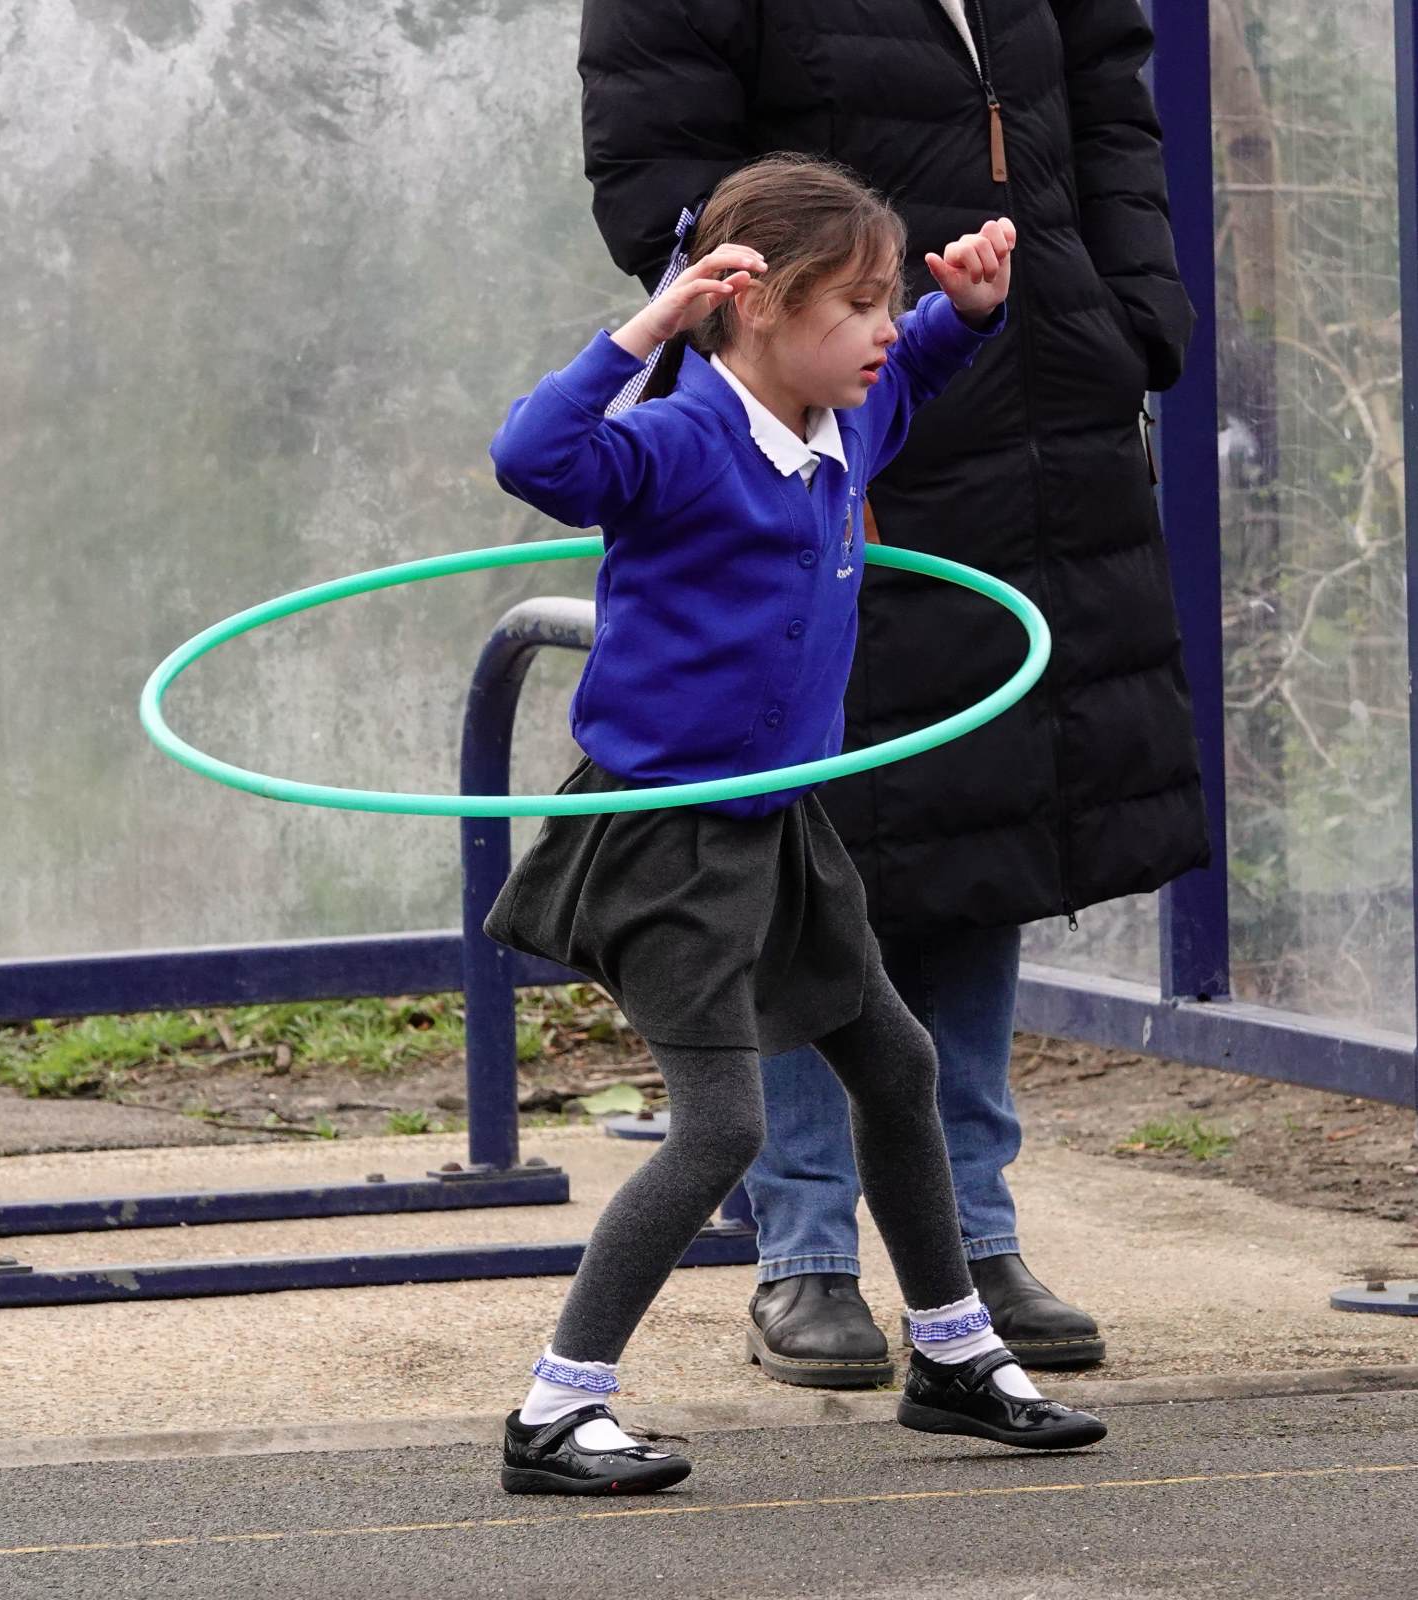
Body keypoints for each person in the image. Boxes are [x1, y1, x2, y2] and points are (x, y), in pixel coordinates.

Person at [578, 0, 1208, 1384]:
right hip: (829, 427)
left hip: (1036, 400)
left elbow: (1109, 102)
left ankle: (973, 1241)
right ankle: (803, 1247)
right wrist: (793, 377)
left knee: (993, 815)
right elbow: (659, 178)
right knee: (798, 826)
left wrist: (1129, 316)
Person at [486, 155, 1105, 1496]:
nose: (885, 329)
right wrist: (652, 321)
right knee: (721, 1129)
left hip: (778, 826)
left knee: (895, 1063)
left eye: (888, 302)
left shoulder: (846, 427)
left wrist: (966, 308)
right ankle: (555, 1407)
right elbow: (534, 458)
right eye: (860, 304)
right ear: (758, 307)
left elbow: (921, 366)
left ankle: (952, 1353)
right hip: (665, 840)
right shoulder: (677, 442)